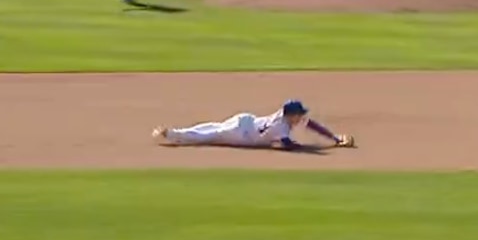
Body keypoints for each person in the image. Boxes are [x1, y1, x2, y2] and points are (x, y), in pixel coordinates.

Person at [152, 100, 356, 150]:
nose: (301, 117)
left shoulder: (286, 117)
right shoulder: (280, 126)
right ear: (291, 114)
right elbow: (290, 146)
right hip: (241, 134)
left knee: (210, 128)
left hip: (246, 120)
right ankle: (171, 134)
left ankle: (173, 133)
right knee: (209, 135)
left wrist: (335, 138)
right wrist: (321, 147)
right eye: (299, 114)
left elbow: (311, 124)